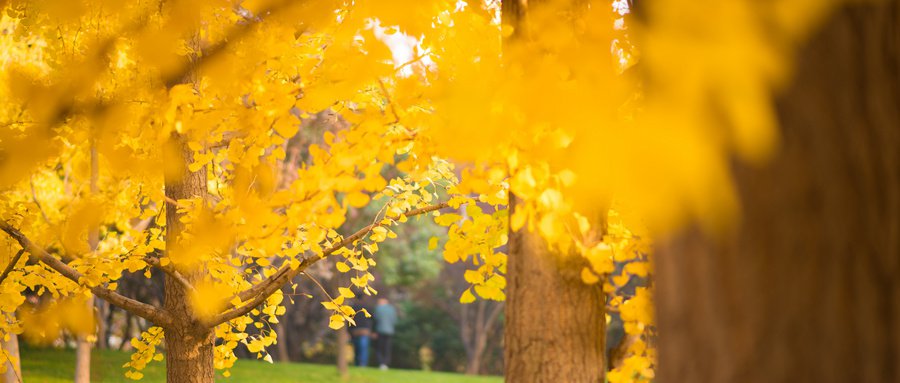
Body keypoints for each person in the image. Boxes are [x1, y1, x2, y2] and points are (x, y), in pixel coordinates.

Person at [372, 297, 397, 370]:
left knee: (379, 348)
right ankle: (386, 363)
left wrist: (374, 331)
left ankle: (381, 363)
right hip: (389, 331)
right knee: (387, 348)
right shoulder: (392, 309)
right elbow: (394, 320)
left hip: (380, 331)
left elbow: (375, 320)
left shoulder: (378, 309)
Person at [349, 300, 374, 367]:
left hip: (355, 331)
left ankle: (357, 364)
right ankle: (362, 364)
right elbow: (373, 319)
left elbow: (349, 320)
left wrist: (349, 331)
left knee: (356, 348)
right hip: (364, 331)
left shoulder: (353, 308)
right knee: (363, 349)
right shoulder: (368, 307)